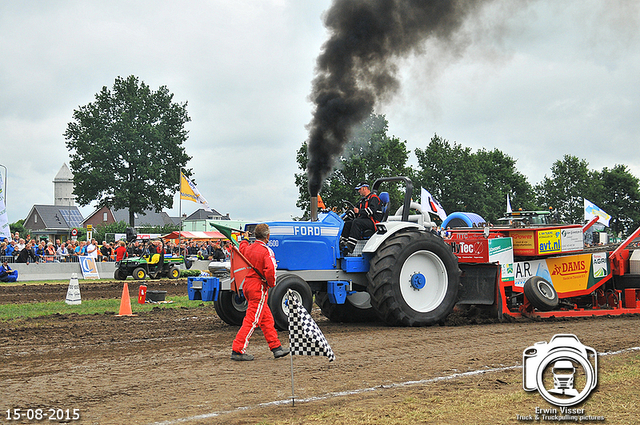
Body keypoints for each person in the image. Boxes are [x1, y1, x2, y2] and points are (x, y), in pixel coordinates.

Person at [231, 224, 289, 361]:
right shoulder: (267, 251)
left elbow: (242, 249)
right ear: (267, 236)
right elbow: (270, 271)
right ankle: (238, 349)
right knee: (251, 320)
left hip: (248, 285)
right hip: (259, 288)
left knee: (266, 319)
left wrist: (244, 239)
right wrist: (271, 284)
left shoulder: (249, 248)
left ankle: (276, 348)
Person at [340, 182, 383, 254]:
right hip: (364, 220)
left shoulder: (374, 198)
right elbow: (355, 210)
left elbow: (371, 211)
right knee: (347, 223)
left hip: (373, 222)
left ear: (365, 188)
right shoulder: (362, 200)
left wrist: (359, 211)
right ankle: (343, 243)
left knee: (356, 222)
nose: (359, 191)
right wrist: (349, 214)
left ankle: (350, 246)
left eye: (359, 189)